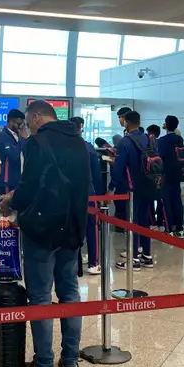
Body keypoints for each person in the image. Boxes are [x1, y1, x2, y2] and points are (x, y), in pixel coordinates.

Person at [0, 101, 89, 367]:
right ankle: (71, 362)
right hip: (72, 228)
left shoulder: (37, 143)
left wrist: (10, 200)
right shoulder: (79, 142)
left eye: (28, 122)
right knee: (70, 293)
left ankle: (44, 366)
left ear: (37, 117)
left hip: (42, 230)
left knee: (40, 296)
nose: (28, 128)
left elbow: (28, 189)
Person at [111, 110, 154, 270]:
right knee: (144, 220)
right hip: (148, 185)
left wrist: (111, 187)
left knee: (132, 221)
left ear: (127, 123)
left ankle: (134, 258)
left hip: (132, 187)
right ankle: (147, 256)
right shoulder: (148, 139)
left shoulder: (126, 142)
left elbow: (119, 168)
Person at [71, 117, 103, 275]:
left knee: (73, 227)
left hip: (69, 193)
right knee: (91, 226)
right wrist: (101, 194)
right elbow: (96, 174)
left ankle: (75, 264)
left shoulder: (63, 147)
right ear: (81, 129)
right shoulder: (88, 147)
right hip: (88, 193)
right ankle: (93, 263)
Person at [157, 116, 184, 238]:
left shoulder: (162, 141)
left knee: (166, 202)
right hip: (178, 174)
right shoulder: (179, 139)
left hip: (165, 174)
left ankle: (168, 229)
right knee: (177, 201)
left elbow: (159, 158)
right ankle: (179, 229)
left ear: (166, 125)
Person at [0, 109, 27, 194]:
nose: (20, 127)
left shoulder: (18, 136)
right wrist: (23, 139)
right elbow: (13, 155)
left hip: (18, 178)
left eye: (22, 124)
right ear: (10, 121)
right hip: (7, 180)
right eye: (18, 124)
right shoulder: (3, 137)